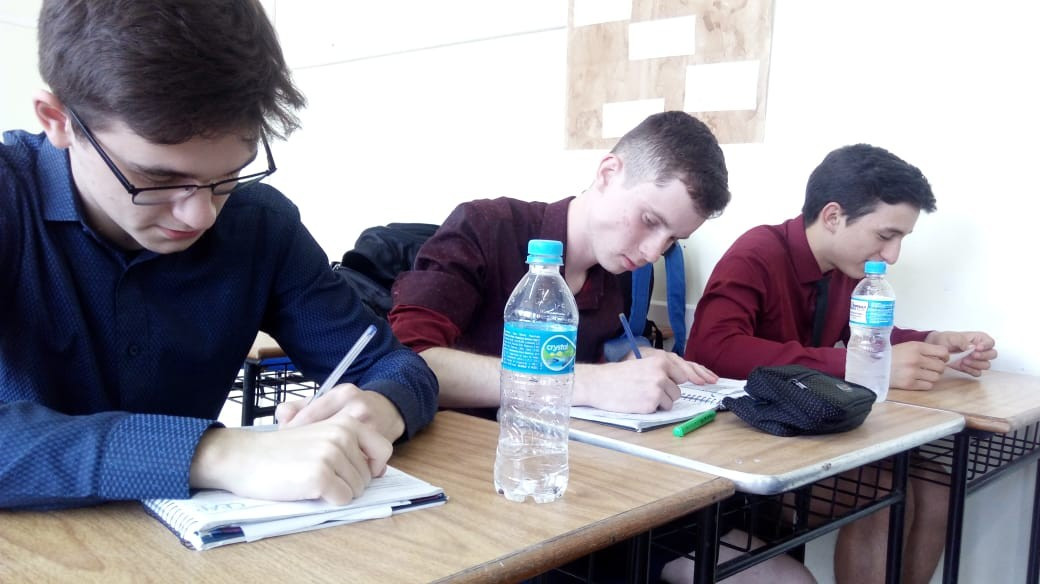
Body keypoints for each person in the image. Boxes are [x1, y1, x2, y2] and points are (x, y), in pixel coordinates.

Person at [0, 0, 438, 511]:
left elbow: (393, 364)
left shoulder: (260, 225)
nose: (201, 215)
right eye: (157, 178)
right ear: (58, 120)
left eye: (229, 175)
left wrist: (377, 408)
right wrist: (214, 453)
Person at [389, 111, 815, 583]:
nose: (652, 252)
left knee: (784, 575)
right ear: (609, 173)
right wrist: (592, 383)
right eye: (650, 221)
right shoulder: (487, 227)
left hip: (590, 487)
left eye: (672, 240)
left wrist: (631, 360)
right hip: (485, 494)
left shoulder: (614, 273)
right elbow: (408, 363)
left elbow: (589, 358)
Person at [686, 143, 998, 584]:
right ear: (833, 216)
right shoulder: (757, 251)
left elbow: (862, 337)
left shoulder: (845, 272)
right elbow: (712, 350)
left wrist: (931, 341)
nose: (893, 255)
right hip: (741, 449)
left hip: (806, 435)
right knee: (881, 492)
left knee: (937, 487)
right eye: (886, 235)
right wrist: (858, 365)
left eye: (901, 239)